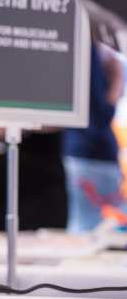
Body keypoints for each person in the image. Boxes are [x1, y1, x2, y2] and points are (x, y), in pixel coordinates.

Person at [63, 42, 125, 232]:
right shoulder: (86, 49)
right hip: (91, 154)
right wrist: (117, 75)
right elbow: (101, 111)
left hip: (88, 152)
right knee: (92, 230)